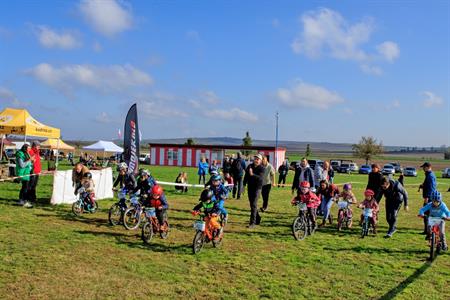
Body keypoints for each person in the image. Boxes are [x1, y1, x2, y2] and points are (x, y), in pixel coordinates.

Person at [243, 154, 265, 228]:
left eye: (258, 159)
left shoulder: (262, 168)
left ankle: (252, 223)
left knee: (254, 204)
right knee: (252, 205)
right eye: (255, 158)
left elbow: (260, 178)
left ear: (260, 161)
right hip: (250, 187)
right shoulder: (250, 166)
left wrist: (252, 174)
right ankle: (258, 218)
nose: (256, 160)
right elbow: (246, 176)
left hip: (257, 188)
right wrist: (243, 185)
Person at [419, 162, 437, 234]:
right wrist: (422, 186)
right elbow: (428, 186)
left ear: (427, 167)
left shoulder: (430, 176)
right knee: (427, 214)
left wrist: (427, 197)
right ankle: (427, 230)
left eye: (424, 167)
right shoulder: (429, 175)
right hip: (430, 197)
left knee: (426, 214)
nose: (423, 168)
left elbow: (431, 188)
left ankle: (427, 231)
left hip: (429, 198)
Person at [15, 143, 34, 208]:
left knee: (25, 187)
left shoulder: (26, 153)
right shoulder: (20, 154)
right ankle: (22, 200)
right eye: (28, 148)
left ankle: (22, 200)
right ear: (25, 148)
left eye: (29, 148)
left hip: (26, 173)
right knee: (25, 188)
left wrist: (32, 162)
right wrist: (29, 160)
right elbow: (22, 165)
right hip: (22, 173)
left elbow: (28, 163)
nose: (29, 150)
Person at [28, 141, 41, 205]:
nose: (39, 147)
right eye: (38, 146)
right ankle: (29, 198)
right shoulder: (31, 151)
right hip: (33, 171)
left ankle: (33, 197)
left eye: (39, 146)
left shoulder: (37, 152)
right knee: (31, 185)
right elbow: (31, 161)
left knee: (34, 186)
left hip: (37, 171)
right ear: (34, 146)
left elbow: (38, 162)